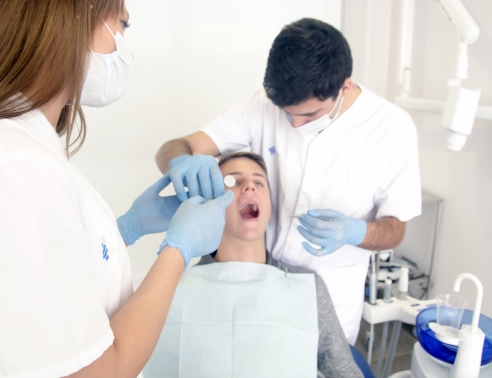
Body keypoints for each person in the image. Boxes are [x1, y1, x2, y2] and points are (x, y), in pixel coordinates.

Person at [0, 0, 233, 376]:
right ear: (72, 20)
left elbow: (42, 282)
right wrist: (177, 252)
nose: (125, 48)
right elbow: (89, 371)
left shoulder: (15, 146)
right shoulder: (8, 164)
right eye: (121, 26)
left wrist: (123, 230)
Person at [155, 18, 422, 345]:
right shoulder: (263, 106)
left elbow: (395, 228)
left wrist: (357, 231)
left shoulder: (391, 128)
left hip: (332, 304)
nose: (294, 124)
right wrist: (179, 162)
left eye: (309, 115)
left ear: (344, 87)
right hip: (259, 285)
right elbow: (175, 147)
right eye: (286, 113)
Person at [144, 152, 363, 378]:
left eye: (259, 182)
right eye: (233, 181)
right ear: (212, 204)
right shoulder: (173, 290)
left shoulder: (308, 286)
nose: (249, 186)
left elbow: (345, 373)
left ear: (269, 208)